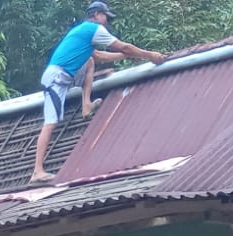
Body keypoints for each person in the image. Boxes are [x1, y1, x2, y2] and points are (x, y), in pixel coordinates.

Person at [31, 2, 164, 184]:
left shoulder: (84, 30)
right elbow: (123, 47)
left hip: (65, 75)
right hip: (57, 79)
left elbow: (99, 56)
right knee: (51, 122)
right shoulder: (93, 28)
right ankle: (37, 171)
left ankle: (86, 104)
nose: (107, 21)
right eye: (105, 16)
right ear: (96, 15)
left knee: (90, 62)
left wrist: (129, 55)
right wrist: (149, 55)